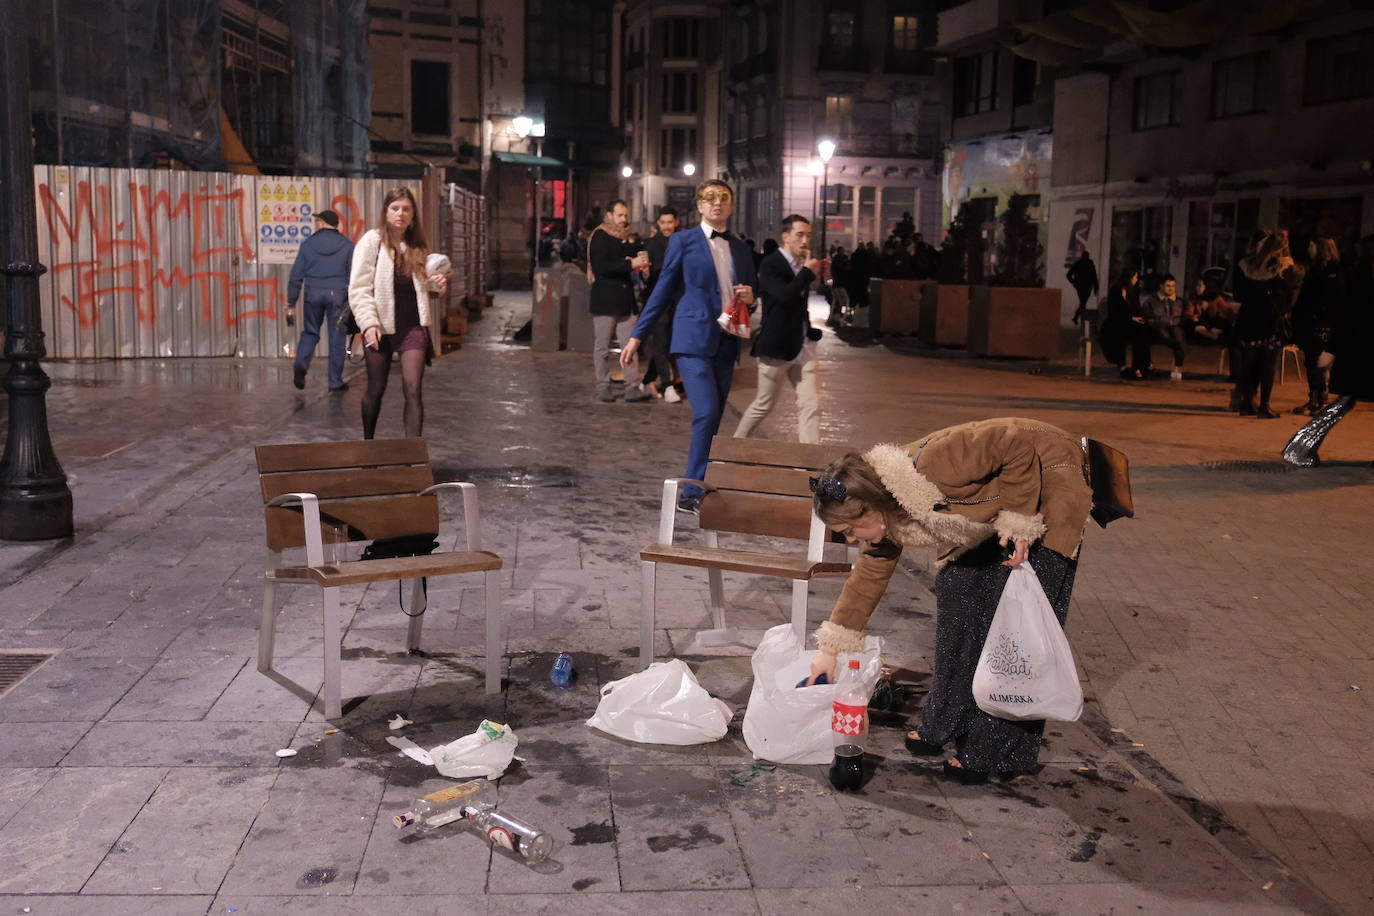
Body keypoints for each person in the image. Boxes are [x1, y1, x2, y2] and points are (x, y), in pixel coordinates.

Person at [805, 418, 1094, 784]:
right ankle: (948, 719)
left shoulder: (936, 462)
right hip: (995, 501)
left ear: (868, 507)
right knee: (958, 591)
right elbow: (867, 577)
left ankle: (997, 752)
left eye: (849, 531)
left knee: (1012, 633)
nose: (849, 540)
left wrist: (1021, 522)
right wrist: (829, 651)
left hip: (1048, 481)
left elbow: (1013, 441)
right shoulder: (886, 507)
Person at [620, 178, 758, 513]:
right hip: (692, 338)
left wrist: (752, 300)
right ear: (698, 205)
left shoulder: (740, 247)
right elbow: (663, 289)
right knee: (707, 411)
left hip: (727, 341)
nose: (716, 204)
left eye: (723, 198)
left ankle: (703, 484)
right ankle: (691, 491)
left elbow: (750, 293)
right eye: (709, 198)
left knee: (715, 417)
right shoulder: (683, 241)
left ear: (731, 205)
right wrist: (638, 335)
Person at [348, 187, 447, 439]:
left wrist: (437, 284)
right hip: (379, 326)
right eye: (395, 208)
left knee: (413, 389)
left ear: (413, 215)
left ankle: (413, 456)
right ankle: (368, 445)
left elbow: (423, 286)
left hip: (413, 326)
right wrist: (369, 324)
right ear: (386, 212)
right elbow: (359, 288)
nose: (400, 214)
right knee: (375, 389)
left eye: (406, 209)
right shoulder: (372, 241)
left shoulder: (417, 246)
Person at [1283, 234, 1374, 465]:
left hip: (1356, 350)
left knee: (1345, 400)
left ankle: (1300, 447)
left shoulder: (1354, 275)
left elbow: (1343, 314)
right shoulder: (1357, 277)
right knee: (1345, 400)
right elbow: (1345, 314)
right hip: (1360, 350)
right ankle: (1300, 448)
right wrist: (1331, 348)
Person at [734, 214, 823, 443]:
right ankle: (735, 446)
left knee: (810, 404)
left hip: (804, 345)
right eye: (799, 235)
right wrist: (807, 273)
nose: (805, 240)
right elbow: (784, 296)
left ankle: (809, 462)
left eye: (808, 236)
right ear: (786, 236)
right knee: (764, 404)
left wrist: (808, 274)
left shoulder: (801, 265)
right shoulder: (771, 263)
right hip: (777, 346)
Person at [1233, 231, 1301, 419]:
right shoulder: (1283, 266)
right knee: (1268, 363)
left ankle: (1246, 404)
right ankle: (1264, 405)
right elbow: (1289, 295)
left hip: (1248, 318)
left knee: (1249, 362)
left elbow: (1238, 294)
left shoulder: (1246, 265)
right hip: (1271, 319)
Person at [589, 200, 651, 403]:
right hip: (605, 300)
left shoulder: (625, 238)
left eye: (626, 215)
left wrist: (641, 262)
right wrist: (630, 264)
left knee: (630, 346)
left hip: (625, 300)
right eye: (620, 215)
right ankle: (603, 386)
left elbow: (632, 255)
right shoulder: (600, 236)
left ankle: (631, 386)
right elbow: (602, 267)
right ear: (609, 216)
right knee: (602, 347)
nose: (624, 219)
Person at [286, 209, 354, 392]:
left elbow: (296, 274)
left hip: (313, 293)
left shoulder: (308, 245)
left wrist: (291, 300)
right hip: (338, 295)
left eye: (317, 221)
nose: (315, 224)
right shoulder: (348, 246)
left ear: (322, 223)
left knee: (310, 332)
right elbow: (353, 276)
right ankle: (335, 381)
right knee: (337, 337)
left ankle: (301, 363)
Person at [1289, 237, 1344, 415]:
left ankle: (1321, 400)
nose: (1309, 248)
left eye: (1312, 245)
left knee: (1319, 362)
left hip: (1322, 323)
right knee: (1311, 361)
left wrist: (1324, 318)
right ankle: (1314, 398)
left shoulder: (1333, 271)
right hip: (1310, 321)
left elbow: (1333, 299)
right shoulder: (1314, 269)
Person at [641, 207, 682, 403]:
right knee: (660, 343)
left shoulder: (682, 242)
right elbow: (645, 273)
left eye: (669, 222)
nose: (666, 226)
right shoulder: (650, 244)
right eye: (663, 222)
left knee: (667, 344)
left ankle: (647, 380)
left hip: (678, 301)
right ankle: (668, 385)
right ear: (658, 223)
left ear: (676, 223)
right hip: (656, 302)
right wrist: (645, 273)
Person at [1098, 268, 1148, 379]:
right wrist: (1130, 318)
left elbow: (1136, 308)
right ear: (1129, 277)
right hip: (1114, 324)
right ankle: (1122, 366)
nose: (1136, 279)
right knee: (1119, 334)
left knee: (1141, 331)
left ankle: (1138, 367)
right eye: (1135, 277)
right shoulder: (1116, 290)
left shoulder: (1134, 291)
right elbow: (1114, 312)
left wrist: (1137, 318)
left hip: (1128, 323)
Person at [1139, 274, 1188, 380]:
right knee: (1165, 334)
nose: (1171, 288)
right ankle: (1177, 345)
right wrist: (1159, 321)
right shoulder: (1151, 301)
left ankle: (1177, 366)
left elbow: (1185, 317)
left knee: (1178, 334)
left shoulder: (1180, 301)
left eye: (1173, 286)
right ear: (1161, 286)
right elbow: (1146, 318)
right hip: (1158, 328)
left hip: (1175, 327)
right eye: (1168, 285)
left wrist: (1177, 321)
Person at [1066, 250, 1098, 327]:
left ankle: (1077, 318)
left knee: (1083, 303)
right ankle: (1081, 320)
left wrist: (1074, 282)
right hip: (1086, 287)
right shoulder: (1090, 264)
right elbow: (1094, 277)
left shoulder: (1079, 263)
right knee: (1083, 303)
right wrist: (1095, 287)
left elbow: (1068, 274)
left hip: (1081, 287)